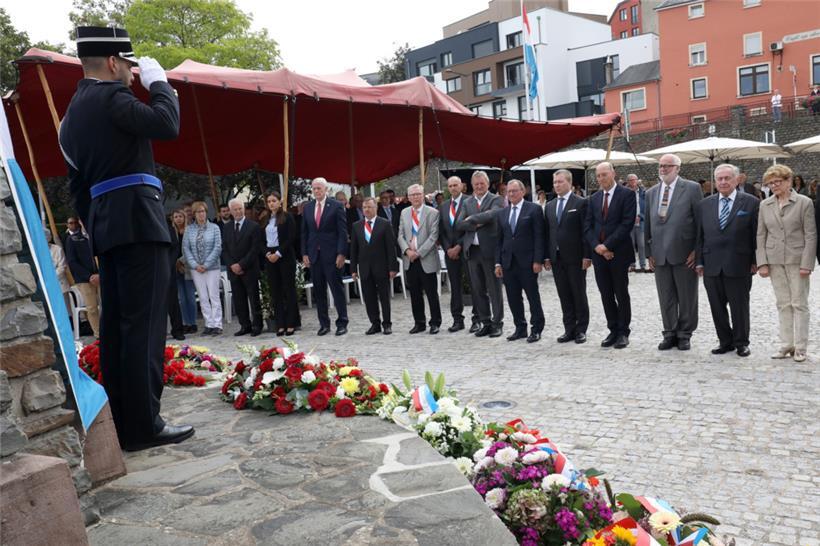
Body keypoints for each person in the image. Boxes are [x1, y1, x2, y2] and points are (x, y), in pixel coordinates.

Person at [58, 26, 192, 450]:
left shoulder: (71, 115)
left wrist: (101, 221)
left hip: (108, 228)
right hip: (138, 222)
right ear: (113, 62)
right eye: (130, 66)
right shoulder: (112, 97)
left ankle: (123, 421)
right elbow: (166, 123)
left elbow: (77, 188)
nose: (134, 74)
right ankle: (144, 425)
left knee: (117, 328)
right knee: (145, 326)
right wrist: (161, 85)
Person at [695, 164, 759, 357]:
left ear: (737, 179)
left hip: (739, 263)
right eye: (719, 179)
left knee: (739, 306)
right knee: (716, 306)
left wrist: (756, 260)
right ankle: (725, 341)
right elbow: (699, 236)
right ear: (715, 181)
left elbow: (756, 234)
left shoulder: (751, 203)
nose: (723, 182)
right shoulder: (704, 204)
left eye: (727, 178)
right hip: (711, 264)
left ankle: (741, 342)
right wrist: (699, 261)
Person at [756, 165, 816, 362]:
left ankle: (801, 347)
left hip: (797, 260)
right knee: (783, 304)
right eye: (770, 183)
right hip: (774, 260)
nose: (774, 186)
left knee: (799, 304)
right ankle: (786, 344)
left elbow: (810, 235)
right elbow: (761, 235)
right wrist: (762, 262)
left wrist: (807, 263)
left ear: (788, 181)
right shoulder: (765, 205)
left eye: (777, 182)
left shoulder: (804, 202)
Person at [644, 154, 703, 351]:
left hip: (684, 253)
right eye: (661, 165)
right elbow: (647, 225)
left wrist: (696, 250)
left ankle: (685, 334)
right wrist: (648, 252)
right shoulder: (651, 192)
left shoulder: (692, 188)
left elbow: (700, 222)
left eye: (668, 166)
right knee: (666, 297)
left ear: (678, 168)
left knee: (687, 297)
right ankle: (669, 333)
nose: (663, 169)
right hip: (659, 254)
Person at [583, 162, 636, 349]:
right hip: (599, 255)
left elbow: (627, 223)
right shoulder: (593, 198)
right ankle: (612, 329)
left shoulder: (627, 194)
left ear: (613, 173)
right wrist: (597, 247)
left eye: (604, 174)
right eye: (598, 176)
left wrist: (607, 245)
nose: (601, 178)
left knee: (621, 293)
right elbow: (587, 226)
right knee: (605, 293)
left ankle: (623, 332)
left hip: (618, 253)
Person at [544, 169, 591, 344]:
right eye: (555, 182)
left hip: (576, 257)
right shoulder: (549, 206)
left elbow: (586, 231)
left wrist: (587, 256)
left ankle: (581, 329)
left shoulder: (581, 203)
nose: (557, 185)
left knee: (578, 293)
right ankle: (569, 328)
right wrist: (546, 256)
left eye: (560, 181)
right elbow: (547, 232)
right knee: (563, 294)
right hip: (556, 258)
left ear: (569, 183)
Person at [494, 180, 544, 343]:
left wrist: (538, 260)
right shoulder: (502, 213)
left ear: (523, 192)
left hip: (528, 262)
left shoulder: (534, 209)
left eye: (514, 191)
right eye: (509, 191)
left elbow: (539, 236)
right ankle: (520, 328)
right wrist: (498, 263)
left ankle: (536, 328)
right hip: (508, 262)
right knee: (513, 297)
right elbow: (499, 240)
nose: (511, 194)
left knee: (532, 296)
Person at [458, 170, 505, 337]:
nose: (479, 186)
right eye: (476, 184)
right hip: (473, 251)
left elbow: (494, 214)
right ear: (472, 185)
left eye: (482, 183)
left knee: (494, 289)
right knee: (478, 290)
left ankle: (497, 323)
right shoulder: (467, 202)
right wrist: (479, 222)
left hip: (490, 251)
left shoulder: (496, 199)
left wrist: (471, 219)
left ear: (487, 184)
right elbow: (459, 224)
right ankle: (485, 322)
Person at [302, 177, 348, 336]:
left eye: (319, 188)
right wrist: (304, 253)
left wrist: (341, 253)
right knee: (319, 291)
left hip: (332, 255)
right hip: (314, 255)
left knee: (336, 289)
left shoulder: (336, 206)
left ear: (326, 189)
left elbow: (342, 232)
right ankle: (324, 324)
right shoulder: (308, 208)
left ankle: (342, 322)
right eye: (314, 188)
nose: (316, 191)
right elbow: (305, 232)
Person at [350, 197, 398, 335]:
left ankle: (387, 324)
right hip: (365, 268)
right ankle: (375, 323)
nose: (367, 210)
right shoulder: (357, 226)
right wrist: (353, 269)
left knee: (384, 297)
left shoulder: (385, 224)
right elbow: (353, 249)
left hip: (381, 267)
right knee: (369, 298)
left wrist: (393, 267)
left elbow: (391, 248)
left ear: (376, 208)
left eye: (370, 207)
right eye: (364, 207)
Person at [398, 184, 442, 334]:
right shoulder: (404, 212)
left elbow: (433, 236)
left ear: (423, 195)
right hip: (410, 259)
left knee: (431, 293)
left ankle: (435, 322)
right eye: (412, 195)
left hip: (426, 258)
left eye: (418, 194)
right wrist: (407, 251)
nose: (415, 197)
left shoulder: (433, 212)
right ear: (408, 197)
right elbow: (400, 235)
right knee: (415, 293)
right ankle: (419, 323)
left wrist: (419, 252)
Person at [222, 198, 264, 337]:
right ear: (231, 211)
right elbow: (224, 249)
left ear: (244, 209)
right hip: (233, 270)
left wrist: (241, 264)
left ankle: (257, 325)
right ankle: (244, 325)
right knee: (239, 299)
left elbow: (255, 249)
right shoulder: (226, 227)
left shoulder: (253, 226)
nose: (238, 211)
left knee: (254, 298)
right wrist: (232, 265)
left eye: (240, 208)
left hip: (249, 268)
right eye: (235, 209)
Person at [438, 176, 475, 332]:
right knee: (455, 286)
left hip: (466, 250)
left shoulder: (470, 202)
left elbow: (471, 227)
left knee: (474, 284)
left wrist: (459, 246)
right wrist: (448, 248)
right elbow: (441, 231)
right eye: (450, 186)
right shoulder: (444, 206)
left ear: (462, 186)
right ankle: (457, 320)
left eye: (455, 185)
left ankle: (477, 319)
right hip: (450, 252)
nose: (453, 188)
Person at [260, 191, 298, 336]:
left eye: (274, 201)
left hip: (285, 255)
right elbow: (260, 240)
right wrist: (267, 253)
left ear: (280, 202)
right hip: (270, 256)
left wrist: (278, 253)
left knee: (289, 290)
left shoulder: (287, 217)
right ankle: (280, 323)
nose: (271, 204)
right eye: (269, 201)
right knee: (275, 291)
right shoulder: (265, 219)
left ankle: (291, 323)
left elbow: (291, 237)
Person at [183, 201, 223, 336]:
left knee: (214, 295)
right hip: (196, 269)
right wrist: (195, 265)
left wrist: (206, 264)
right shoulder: (189, 229)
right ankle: (208, 324)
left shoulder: (215, 228)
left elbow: (217, 247)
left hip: (212, 267)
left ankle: (217, 324)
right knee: (203, 297)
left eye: (203, 211)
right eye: (198, 212)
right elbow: (186, 249)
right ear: (194, 214)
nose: (201, 214)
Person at [65, 223, 100, 338]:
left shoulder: (98, 235)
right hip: (85, 279)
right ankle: (98, 335)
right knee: (92, 308)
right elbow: (72, 261)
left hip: (102, 276)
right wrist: (89, 276)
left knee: (108, 306)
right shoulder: (72, 239)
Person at [171, 209, 197, 334]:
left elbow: (192, 249)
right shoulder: (171, 232)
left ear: (184, 217)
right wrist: (175, 263)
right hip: (175, 268)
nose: (178, 219)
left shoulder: (190, 231)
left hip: (188, 266)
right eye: (176, 217)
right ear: (173, 219)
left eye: (180, 216)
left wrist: (181, 261)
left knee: (190, 297)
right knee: (181, 298)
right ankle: (186, 323)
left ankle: (193, 323)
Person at [165, 214, 185, 341]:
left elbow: (175, 248)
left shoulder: (169, 228)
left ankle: (177, 330)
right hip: (151, 271)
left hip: (168, 269)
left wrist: (169, 264)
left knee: (173, 302)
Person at [46, 229, 72, 319]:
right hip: (46, 284)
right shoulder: (38, 251)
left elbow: (62, 267)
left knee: (66, 308)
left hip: (60, 282)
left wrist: (51, 277)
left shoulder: (57, 249)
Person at [625, 174, 646, 272]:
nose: (633, 181)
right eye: (630, 180)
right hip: (629, 223)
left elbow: (647, 207)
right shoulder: (624, 193)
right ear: (627, 182)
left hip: (640, 222)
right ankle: (632, 264)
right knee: (631, 245)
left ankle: (643, 265)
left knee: (642, 244)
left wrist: (640, 216)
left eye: (634, 180)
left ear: (637, 181)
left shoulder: (643, 193)